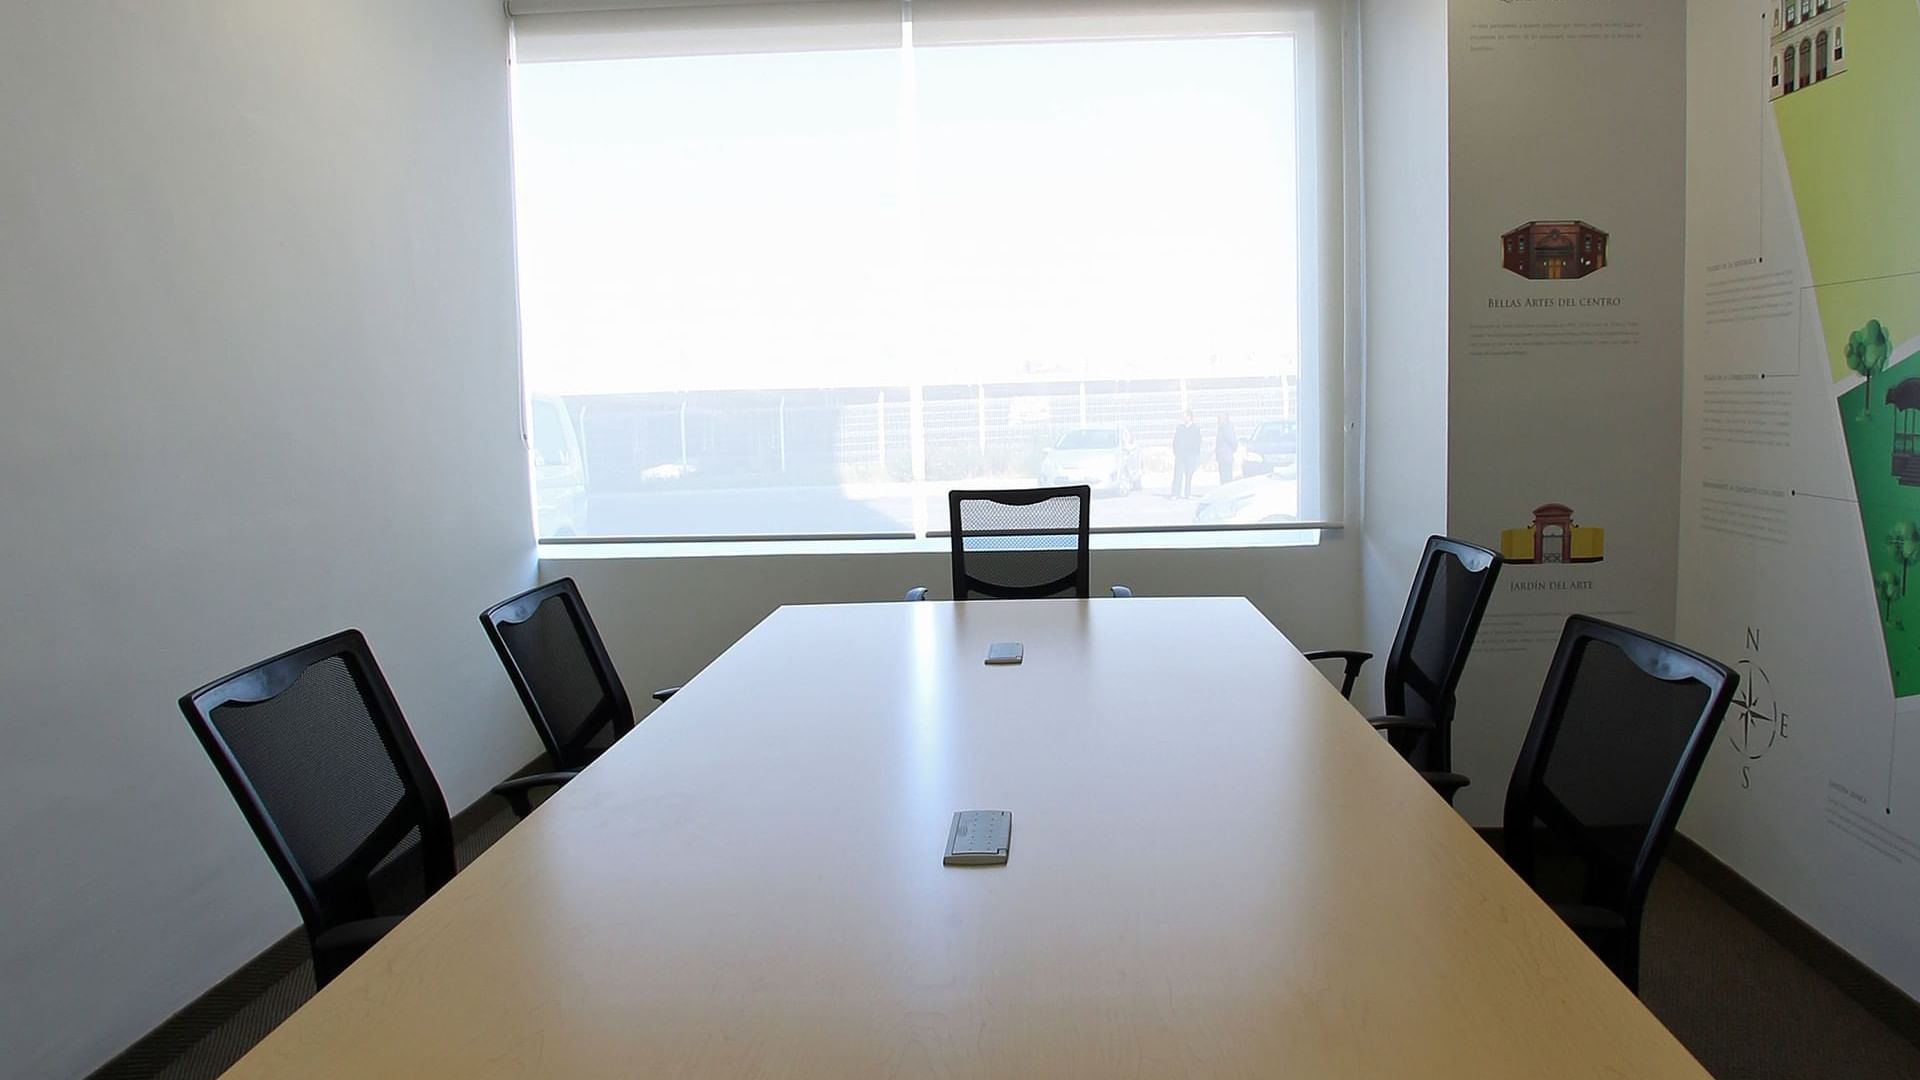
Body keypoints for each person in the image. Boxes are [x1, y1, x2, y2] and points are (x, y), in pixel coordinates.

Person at [1171, 410, 1201, 499]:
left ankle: (1187, 493)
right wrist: (1176, 451)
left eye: (1185, 416)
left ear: (1189, 417)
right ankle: (1175, 493)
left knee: (1188, 475)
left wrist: (1194, 453)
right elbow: (1175, 441)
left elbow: (1198, 442)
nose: (1183, 418)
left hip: (1190, 456)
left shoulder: (1195, 428)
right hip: (1180, 455)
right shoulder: (1180, 428)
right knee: (1177, 475)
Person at [1214, 415, 1238, 488]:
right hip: (1222, 457)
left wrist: (1232, 450)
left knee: (1227, 478)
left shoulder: (1225, 428)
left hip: (1225, 457)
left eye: (1219, 419)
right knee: (1223, 478)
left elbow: (1232, 441)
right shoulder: (1221, 428)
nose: (1218, 421)